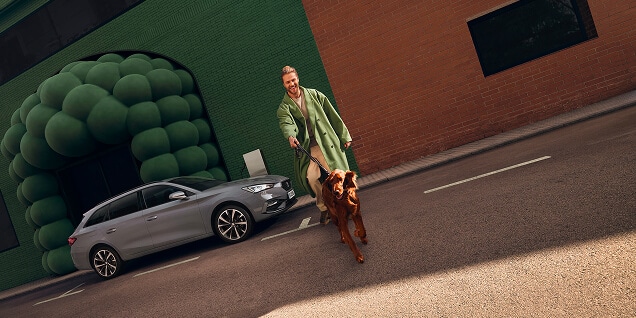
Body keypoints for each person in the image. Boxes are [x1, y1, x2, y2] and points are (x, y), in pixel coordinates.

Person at [277, 65, 352, 225]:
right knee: (311, 178)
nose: (292, 84)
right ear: (284, 85)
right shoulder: (284, 107)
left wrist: (344, 135)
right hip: (308, 149)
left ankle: (346, 205)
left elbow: (332, 114)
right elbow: (286, 123)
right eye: (287, 82)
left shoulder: (315, 95)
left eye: (293, 80)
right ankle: (325, 208)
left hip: (325, 143)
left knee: (337, 174)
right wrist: (290, 136)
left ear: (298, 79)